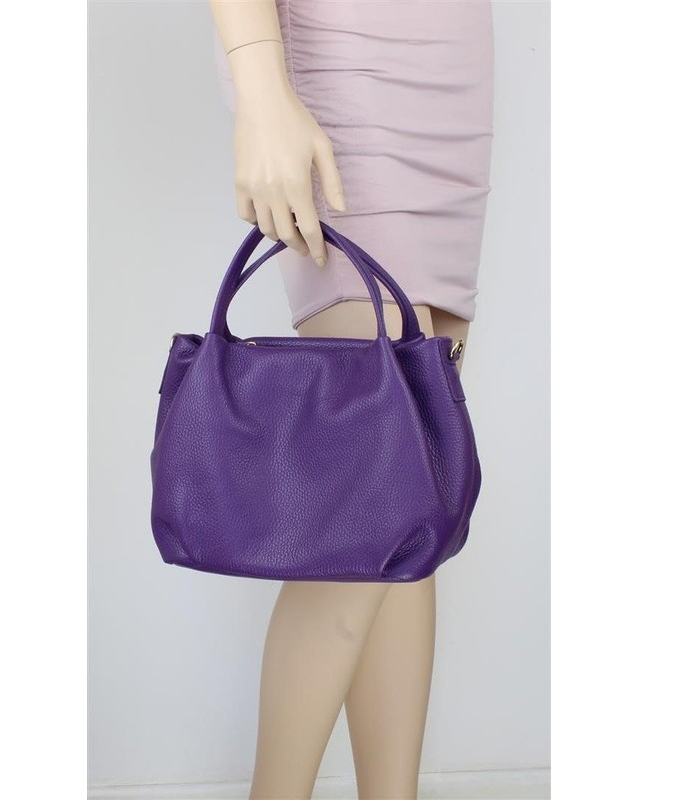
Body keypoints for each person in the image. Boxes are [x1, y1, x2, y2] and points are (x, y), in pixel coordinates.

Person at [209, 1, 494, 796]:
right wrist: (261, 89)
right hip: (336, 55)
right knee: (363, 502)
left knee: (409, 487)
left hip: (452, 58)